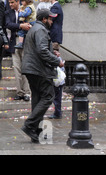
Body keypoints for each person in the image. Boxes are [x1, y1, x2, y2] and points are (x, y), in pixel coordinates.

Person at [20, 9, 64, 143]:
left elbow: (40, 49)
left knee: (38, 98)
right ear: (44, 19)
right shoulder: (41, 30)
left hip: (31, 68)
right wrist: (58, 62)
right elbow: (42, 51)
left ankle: (36, 129)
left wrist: (53, 52)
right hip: (38, 69)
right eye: (50, 19)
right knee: (48, 96)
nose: (52, 21)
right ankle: (29, 125)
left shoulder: (34, 29)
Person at [5, 0, 31, 101]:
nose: (10, 4)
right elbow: (8, 24)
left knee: (25, 67)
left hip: (25, 41)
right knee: (16, 68)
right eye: (9, 2)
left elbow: (31, 22)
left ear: (17, 2)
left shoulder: (26, 10)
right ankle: (19, 92)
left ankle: (27, 92)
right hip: (14, 41)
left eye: (12, 2)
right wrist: (21, 26)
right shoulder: (8, 13)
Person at [49, 51, 65, 119]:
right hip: (58, 82)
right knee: (57, 98)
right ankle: (58, 112)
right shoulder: (58, 58)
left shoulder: (56, 59)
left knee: (57, 98)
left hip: (57, 82)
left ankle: (58, 113)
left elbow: (61, 67)